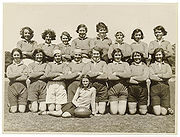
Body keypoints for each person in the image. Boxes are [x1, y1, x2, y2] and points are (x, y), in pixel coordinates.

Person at [39, 49, 68, 116]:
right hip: (51, 84)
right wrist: (58, 74)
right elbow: (47, 75)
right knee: (51, 108)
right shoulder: (50, 64)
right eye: (56, 56)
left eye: (59, 56)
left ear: (61, 57)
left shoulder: (64, 65)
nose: (57, 57)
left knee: (58, 108)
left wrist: (54, 75)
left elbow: (65, 75)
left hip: (61, 84)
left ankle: (47, 113)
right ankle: (49, 112)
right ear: (54, 57)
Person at [83, 46, 108, 115]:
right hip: (92, 86)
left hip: (102, 86)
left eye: (97, 54)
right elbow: (86, 74)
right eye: (94, 54)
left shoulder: (103, 63)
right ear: (91, 54)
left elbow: (105, 76)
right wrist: (98, 73)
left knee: (102, 111)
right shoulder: (88, 64)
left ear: (100, 54)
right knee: (95, 111)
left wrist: (92, 75)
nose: (96, 55)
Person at [149, 48, 173, 115]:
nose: (158, 56)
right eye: (156, 55)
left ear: (162, 55)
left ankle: (167, 107)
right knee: (157, 113)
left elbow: (169, 74)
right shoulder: (151, 65)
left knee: (163, 113)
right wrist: (163, 78)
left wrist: (159, 75)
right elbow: (151, 76)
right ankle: (151, 107)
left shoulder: (167, 65)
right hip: (155, 88)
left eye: (160, 54)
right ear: (154, 56)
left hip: (165, 88)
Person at [107, 48, 131, 115]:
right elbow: (110, 77)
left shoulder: (125, 64)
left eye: (119, 55)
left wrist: (116, 73)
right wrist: (123, 74)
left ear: (121, 56)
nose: (118, 57)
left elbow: (128, 75)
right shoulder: (110, 65)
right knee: (114, 112)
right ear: (113, 56)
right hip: (113, 91)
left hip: (123, 91)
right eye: (116, 55)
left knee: (121, 112)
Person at [6, 48, 28, 113]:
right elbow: (9, 76)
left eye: (18, 55)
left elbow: (24, 78)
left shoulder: (24, 66)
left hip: (22, 88)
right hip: (12, 88)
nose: (16, 56)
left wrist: (14, 77)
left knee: (22, 110)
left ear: (20, 55)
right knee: (13, 110)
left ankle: (22, 104)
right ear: (12, 56)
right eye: (15, 55)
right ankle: (11, 105)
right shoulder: (9, 67)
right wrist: (20, 74)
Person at [128, 50, 149, 115]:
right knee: (132, 112)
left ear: (141, 57)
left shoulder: (145, 67)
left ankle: (143, 106)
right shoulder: (130, 66)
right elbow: (128, 79)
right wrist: (138, 80)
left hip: (142, 89)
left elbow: (144, 78)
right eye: (135, 56)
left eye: (138, 56)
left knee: (143, 112)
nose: (137, 57)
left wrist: (133, 77)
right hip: (132, 88)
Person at [27, 48, 47, 113]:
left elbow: (46, 76)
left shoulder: (46, 65)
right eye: (37, 55)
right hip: (33, 86)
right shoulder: (31, 65)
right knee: (34, 110)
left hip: (43, 86)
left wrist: (35, 74)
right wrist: (41, 72)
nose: (39, 56)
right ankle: (29, 105)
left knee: (43, 109)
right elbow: (30, 75)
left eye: (41, 55)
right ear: (34, 56)